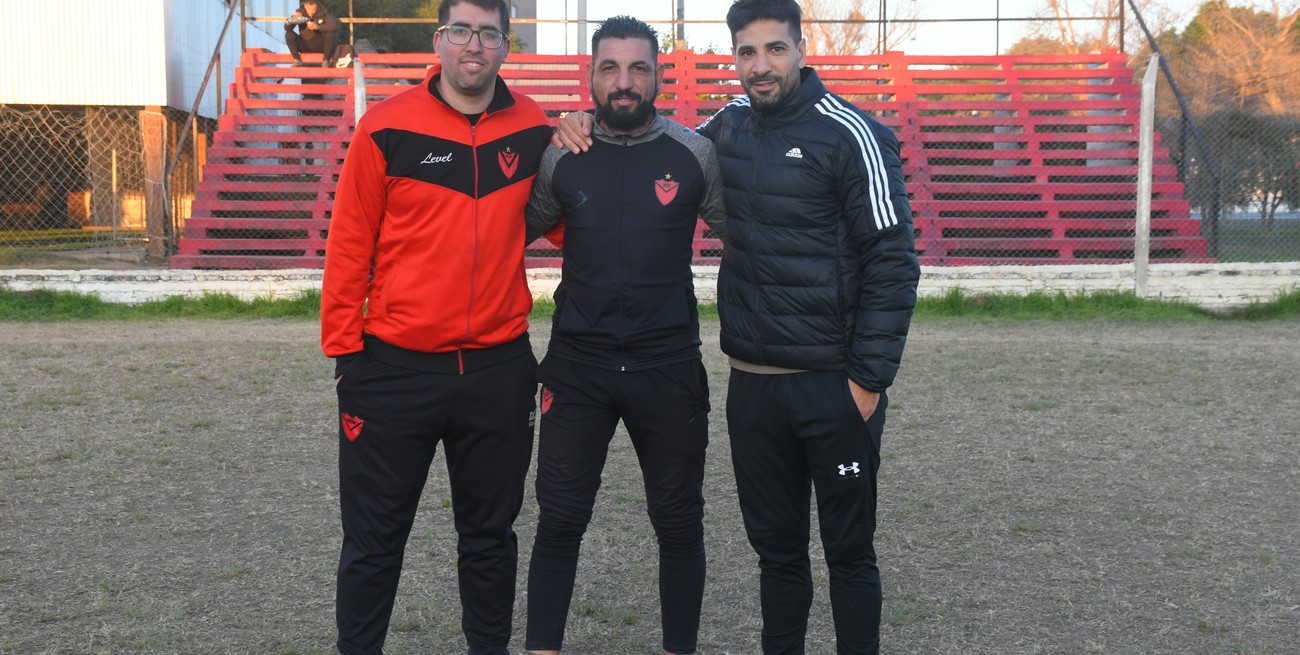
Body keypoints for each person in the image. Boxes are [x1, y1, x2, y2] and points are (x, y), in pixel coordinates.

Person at [554, 1, 920, 652]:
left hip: (833, 387)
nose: (761, 65)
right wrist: (581, 124)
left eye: (774, 49)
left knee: (849, 554)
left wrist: (867, 380)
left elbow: (893, 261)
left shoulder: (852, 133)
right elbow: (656, 141)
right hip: (753, 388)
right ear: (734, 58)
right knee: (778, 556)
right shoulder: (724, 132)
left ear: (801, 50)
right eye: (747, 52)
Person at [319, 0, 553, 653]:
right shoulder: (385, 127)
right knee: (373, 541)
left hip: (498, 369)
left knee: (489, 539)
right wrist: (347, 352)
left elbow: (567, 216)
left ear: (505, 45)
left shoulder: (533, 127)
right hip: (393, 370)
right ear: (439, 40)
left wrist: (588, 139)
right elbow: (349, 244)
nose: (473, 46)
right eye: (461, 32)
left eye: (488, 33)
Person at [522, 15, 727, 655]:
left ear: (659, 75)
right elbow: (510, 230)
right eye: (610, 67)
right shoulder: (563, 152)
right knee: (558, 521)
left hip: (667, 366)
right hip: (576, 367)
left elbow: (749, 238)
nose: (624, 81)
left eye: (639, 67)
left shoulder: (695, 154)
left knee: (678, 524)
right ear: (590, 75)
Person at [285, 1, 342, 67]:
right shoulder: (300, 12)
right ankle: (297, 60)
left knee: (330, 34)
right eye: (309, 9)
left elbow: (334, 26)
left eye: (314, 10)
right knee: (288, 34)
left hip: (319, 45)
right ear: (305, 6)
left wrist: (318, 27)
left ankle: (326, 60)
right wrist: (293, 19)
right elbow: (287, 28)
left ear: (317, 5)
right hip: (304, 44)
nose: (311, 12)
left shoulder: (322, 12)